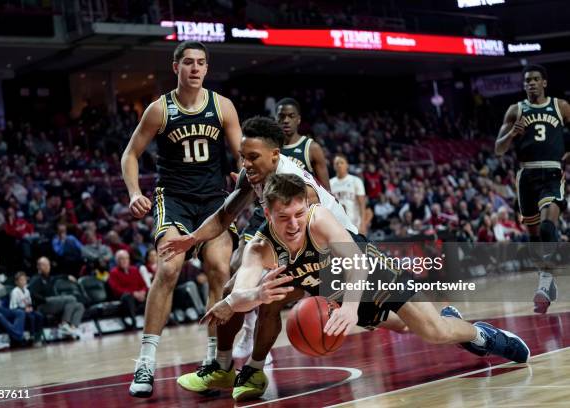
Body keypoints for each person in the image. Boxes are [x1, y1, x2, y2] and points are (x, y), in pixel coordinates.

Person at [200, 174, 530, 401]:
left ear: (307, 207)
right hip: (335, 288)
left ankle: (484, 337)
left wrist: (348, 308)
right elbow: (240, 290)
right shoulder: (260, 246)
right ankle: (446, 317)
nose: (294, 224)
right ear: (268, 214)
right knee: (403, 326)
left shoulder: (318, 221)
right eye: (284, 217)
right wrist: (249, 297)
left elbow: (355, 263)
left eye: (299, 213)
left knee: (434, 332)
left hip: (372, 272)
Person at [160, 117, 358, 394]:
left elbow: (307, 240)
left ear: (275, 155)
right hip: (299, 246)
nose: (246, 164)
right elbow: (224, 215)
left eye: (253, 157)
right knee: (239, 290)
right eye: (243, 157)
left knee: (267, 296)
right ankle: (227, 367)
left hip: (337, 256)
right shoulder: (251, 175)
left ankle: (250, 370)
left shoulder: (301, 190)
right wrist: (192, 238)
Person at [121, 41, 242, 398]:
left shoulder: (223, 106)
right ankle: (145, 360)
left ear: (207, 68)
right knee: (170, 268)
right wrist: (133, 193)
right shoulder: (160, 109)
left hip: (213, 201)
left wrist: (240, 173)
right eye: (188, 62)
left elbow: (241, 153)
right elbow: (130, 154)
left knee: (220, 268)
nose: (195, 68)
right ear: (176, 67)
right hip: (172, 200)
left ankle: (214, 361)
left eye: (201, 63)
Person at [231, 98, 330, 360]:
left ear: (298, 119)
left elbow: (323, 192)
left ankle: (256, 334)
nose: (285, 120)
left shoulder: (310, 148)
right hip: (269, 213)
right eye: (281, 116)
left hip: (299, 218)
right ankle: (252, 334)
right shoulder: (260, 151)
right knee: (238, 267)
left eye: (290, 116)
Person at [494, 64, 570, 313]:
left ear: (545, 82)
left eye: (536, 79)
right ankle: (547, 282)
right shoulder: (515, 110)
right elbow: (499, 149)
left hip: (551, 171)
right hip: (526, 175)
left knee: (549, 225)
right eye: (527, 80)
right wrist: (511, 135)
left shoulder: (560, 106)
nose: (531, 84)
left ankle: (546, 281)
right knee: (534, 236)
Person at [29, 256, 84, 338]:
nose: (48, 267)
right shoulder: (36, 279)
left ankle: (72, 328)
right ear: (39, 267)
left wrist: (67, 276)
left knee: (79, 306)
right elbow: (32, 293)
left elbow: (58, 277)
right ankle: (64, 324)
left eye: (48, 265)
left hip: (53, 304)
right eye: (45, 265)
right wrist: (44, 300)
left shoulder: (50, 278)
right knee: (71, 299)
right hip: (42, 305)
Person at [330, 154, 369, 235]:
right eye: (337, 163)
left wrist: (363, 223)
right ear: (333, 166)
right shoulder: (330, 183)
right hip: (337, 225)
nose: (339, 165)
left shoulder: (356, 181)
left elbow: (362, 204)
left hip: (355, 224)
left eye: (342, 162)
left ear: (347, 165)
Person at [108, 250, 148, 329]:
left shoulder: (134, 270)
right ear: (117, 261)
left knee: (152, 292)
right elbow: (116, 289)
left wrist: (143, 292)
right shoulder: (113, 272)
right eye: (121, 259)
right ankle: (134, 322)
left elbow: (143, 285)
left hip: (139, 295)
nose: (124, 261)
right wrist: (133, 294)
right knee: (128, 297)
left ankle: (164, 317)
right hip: (125, 297)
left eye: (126, 258)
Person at [9, 271, 44, 346]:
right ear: (16, 282)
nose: (23, 282)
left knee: (39, 315)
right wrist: (24, 309)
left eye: (24, 280)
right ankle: (32, 336)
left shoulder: (27, 291)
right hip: (18, 311)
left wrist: (30, 307)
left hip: (27, 309)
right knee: (31, 317)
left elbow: (29, 303)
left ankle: (38, 336)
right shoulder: (14, 292)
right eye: (21, 280)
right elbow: (13, 306)